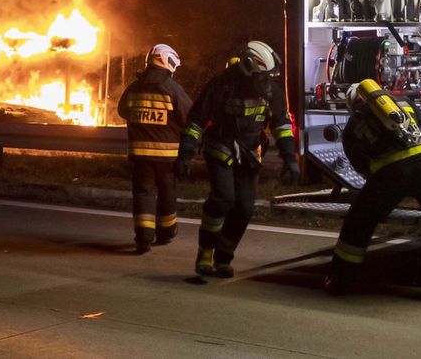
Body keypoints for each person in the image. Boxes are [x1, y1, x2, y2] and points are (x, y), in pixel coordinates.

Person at [324, 79, 421, 302]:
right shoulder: (403, 102)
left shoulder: (353, 126)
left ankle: (341, 281)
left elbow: (361, 166)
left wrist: (383, 186)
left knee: (359, 223)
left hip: (389, 175)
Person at [178, 40, 298, 277]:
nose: (266, 81)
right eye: (261, 76)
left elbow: (281, 125)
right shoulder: (222, 86)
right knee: (223, 199)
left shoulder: (270, 90)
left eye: (268, 76)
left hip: (250, 153)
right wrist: (185, 154)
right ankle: (205, 252)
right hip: (220, 148)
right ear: (248, 66)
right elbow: (196, 121)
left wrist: (290, 159)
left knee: (244, 208)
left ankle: (224, 257)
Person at [118, 43, 193, 254]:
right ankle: (166, 232)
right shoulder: (172, 89)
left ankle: (143, 238)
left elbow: (123, 110)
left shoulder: (134, 87)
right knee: (167, 191)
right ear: (167, 62)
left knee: (143, 193)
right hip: (167, 156)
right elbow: (188, 116)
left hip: (140, 154)